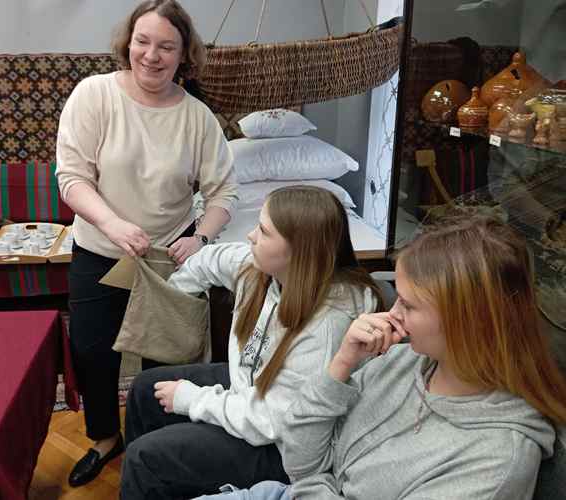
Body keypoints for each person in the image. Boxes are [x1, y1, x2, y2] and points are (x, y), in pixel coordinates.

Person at [197, 216, 566, 500]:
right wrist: (340, 366)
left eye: (409, 304)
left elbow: (308, 472)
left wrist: (314, 482)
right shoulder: (401, 361)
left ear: (466, 321)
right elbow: (300, 459)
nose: (392, 314)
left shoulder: (492, 464)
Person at [55, 0, 237, 487]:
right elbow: (72, 179)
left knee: (166, 361)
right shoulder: (94, 95)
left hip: (167, 261)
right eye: (143, 41)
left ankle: (154, 445)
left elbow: (223, 194)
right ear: (128, 43)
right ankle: (104, 438)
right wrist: (113, 224)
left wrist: (200, 238)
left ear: (184, 55)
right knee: (92, 351)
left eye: (166, 47)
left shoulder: (197, 118)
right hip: (100, 250)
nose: (151, 55)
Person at [120, 186, 383, 499]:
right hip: (254, 389)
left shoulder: (327, 326)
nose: (250, 236)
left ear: (299, 250)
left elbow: (273, 420)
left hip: (282, 448)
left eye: (264, 231)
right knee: (145, 390)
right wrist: (176, 294)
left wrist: (192, 399)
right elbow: (211, 259)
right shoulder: (260, 267)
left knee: (144, 459)